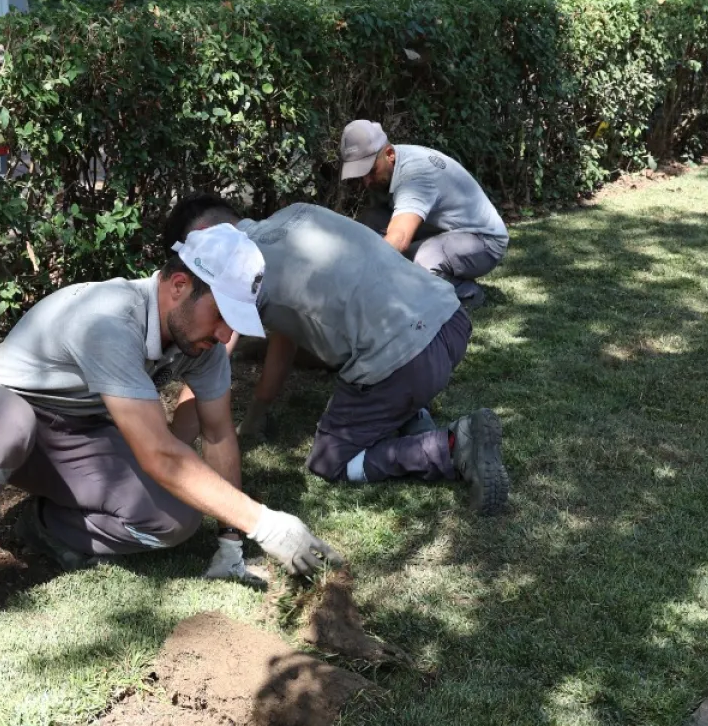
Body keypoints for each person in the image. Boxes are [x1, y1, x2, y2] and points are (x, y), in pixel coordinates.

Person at [0, 224, 342, 642]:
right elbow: (161, 454)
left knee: (176, 520)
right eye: (221, 316)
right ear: (179, 286)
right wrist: (265, 523)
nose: (224, 337)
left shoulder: (200, 345)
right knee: (7, 424)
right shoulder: (108, 318)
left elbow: (218, 433)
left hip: (74, 435)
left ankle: (43, 527)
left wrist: (230, 542)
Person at [164, 194, 510, 516]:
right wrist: (259, 410)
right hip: (450, 322)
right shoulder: (298, 212)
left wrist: (170, 455)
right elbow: (287, 335)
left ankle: (450, 446)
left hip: (407, 361)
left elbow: (210, 367)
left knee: (331, 463)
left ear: (206, 236)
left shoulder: (236, 269)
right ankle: (408, 415)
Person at [339, 119, 508, 306]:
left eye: (371, 171)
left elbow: (399, 238)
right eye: (360, 174)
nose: (366, 182)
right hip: (445, 229)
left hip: (483, 242)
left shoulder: (415, 176)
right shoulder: (393, 160)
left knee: (422, 261)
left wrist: (358, 279)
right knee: (369, 221)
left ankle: (466, 292)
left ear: (389, 155)